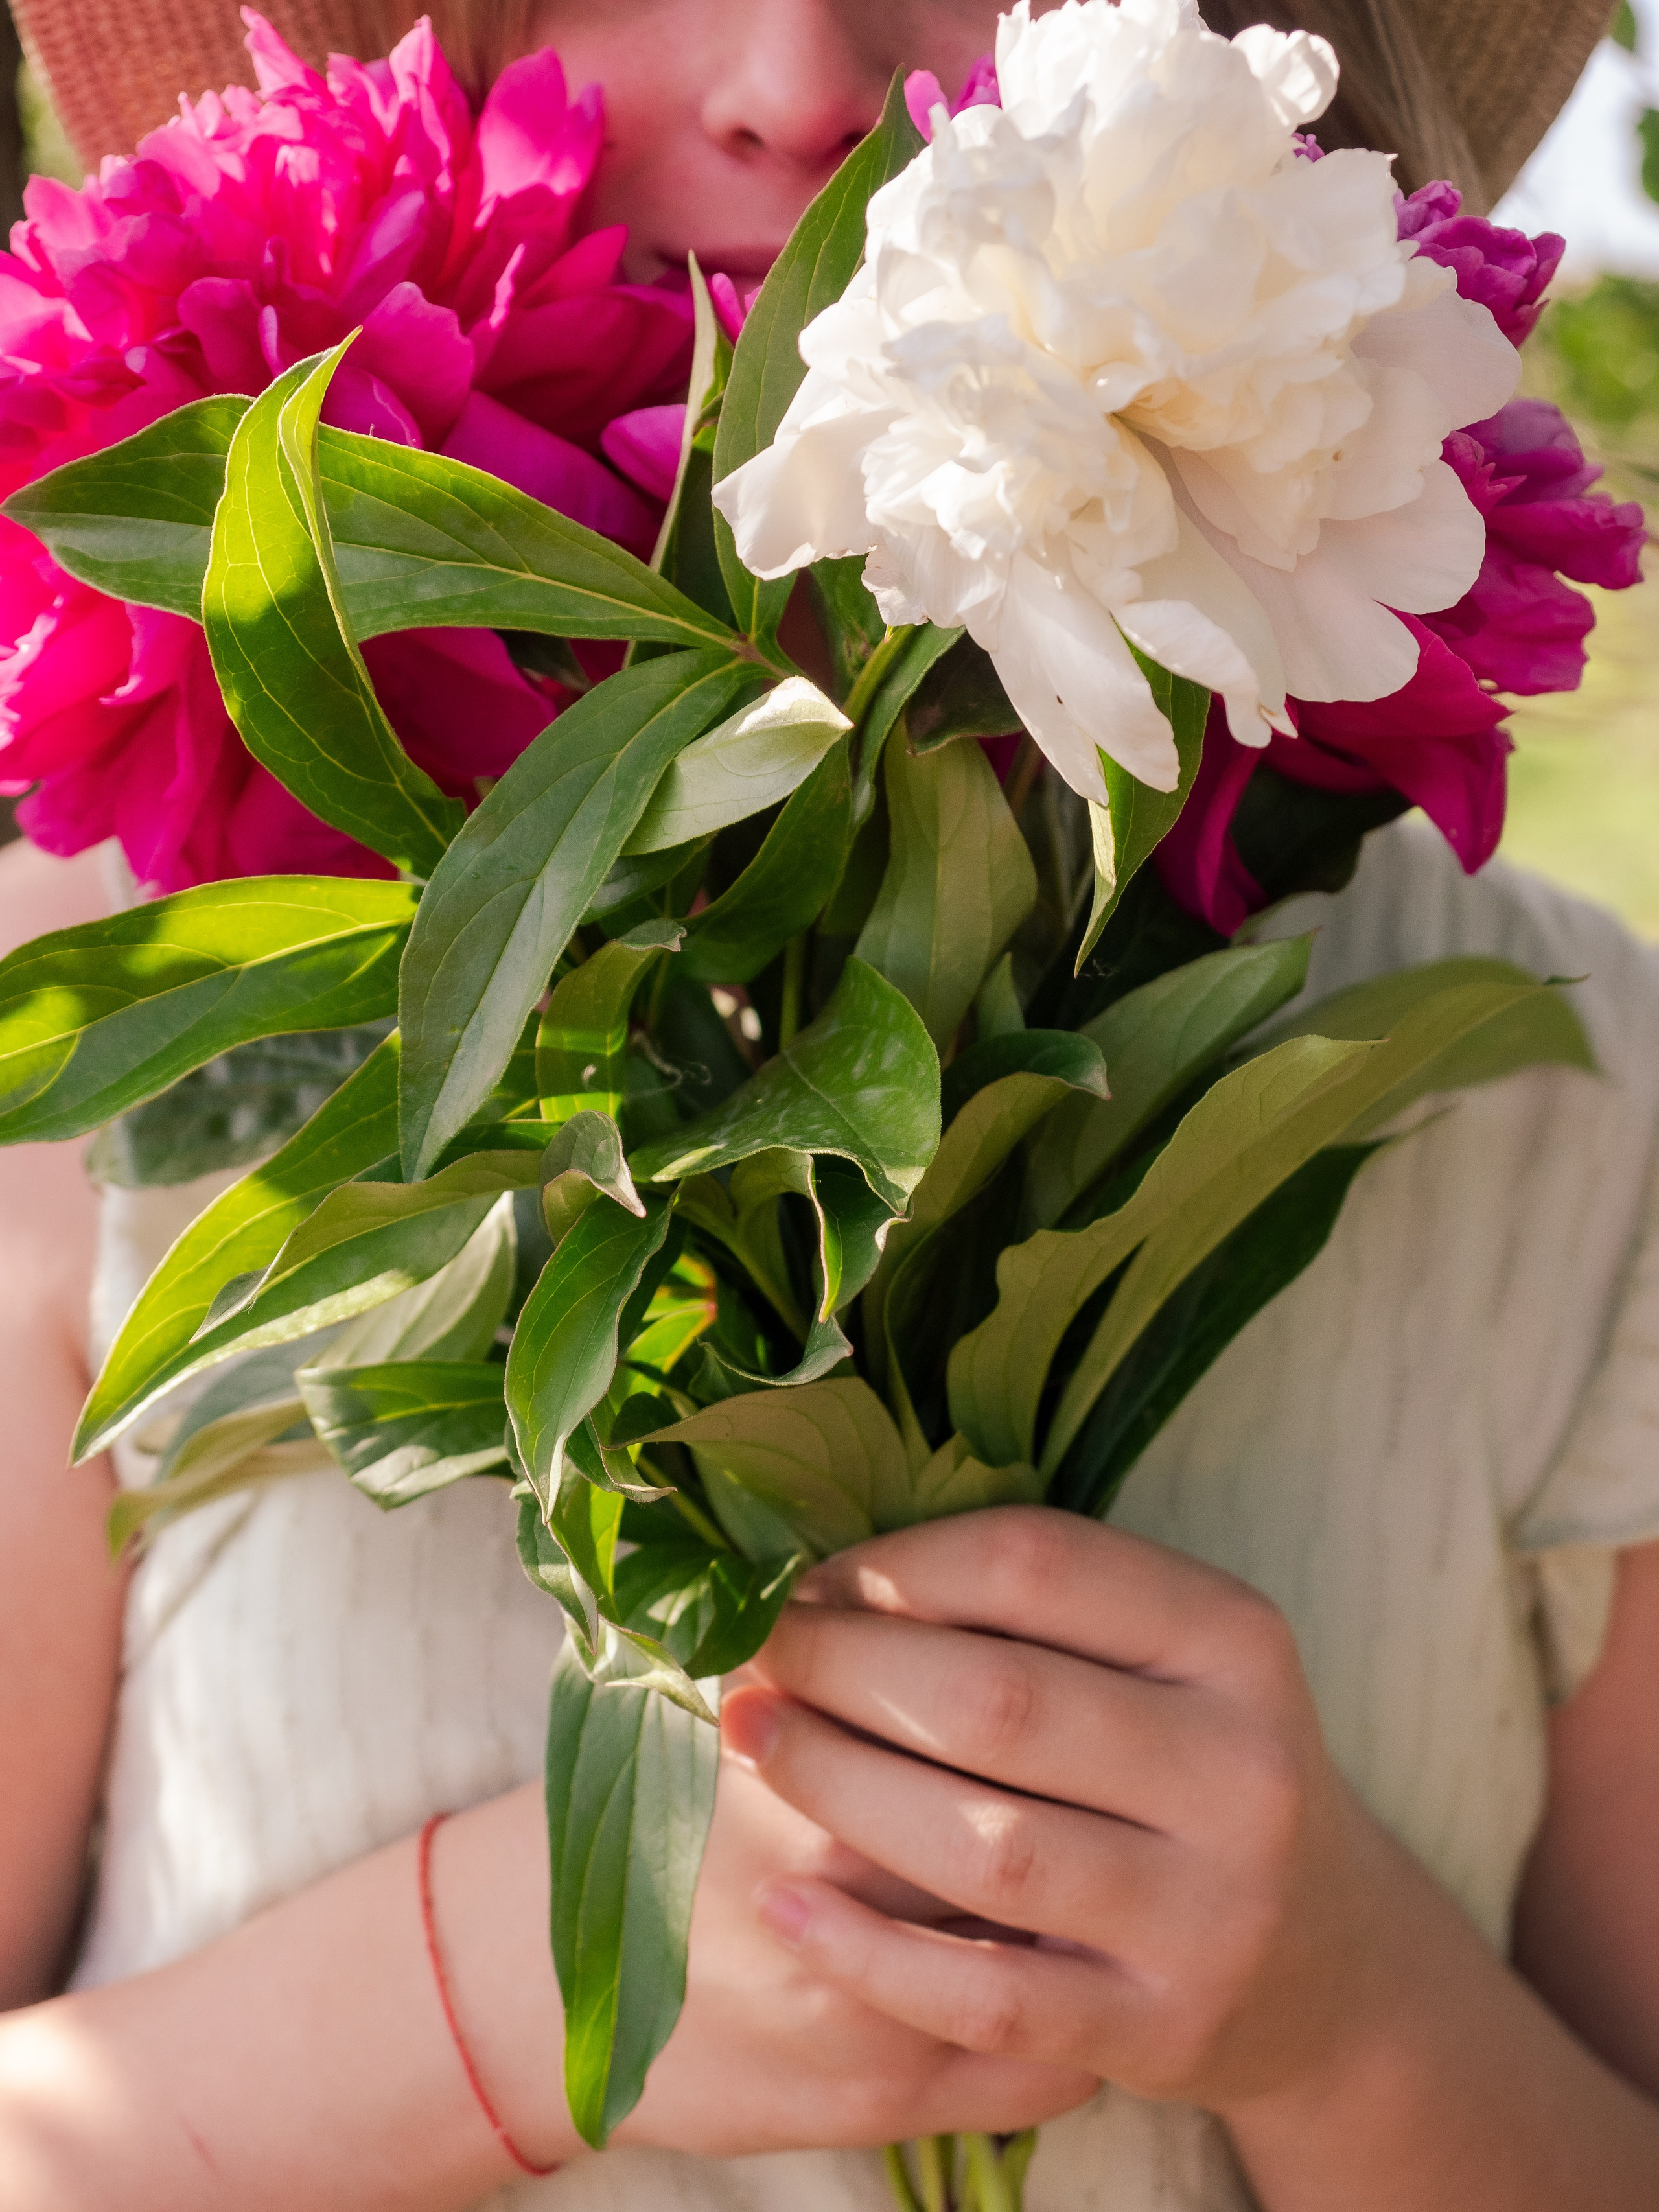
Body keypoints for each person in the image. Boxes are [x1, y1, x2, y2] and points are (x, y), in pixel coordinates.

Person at [1, 3, 1656, 2208]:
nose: (795, 76)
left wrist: (1343, 2011)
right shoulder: (84, 1052)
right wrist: (501, 1999)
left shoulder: (1570, 1098)